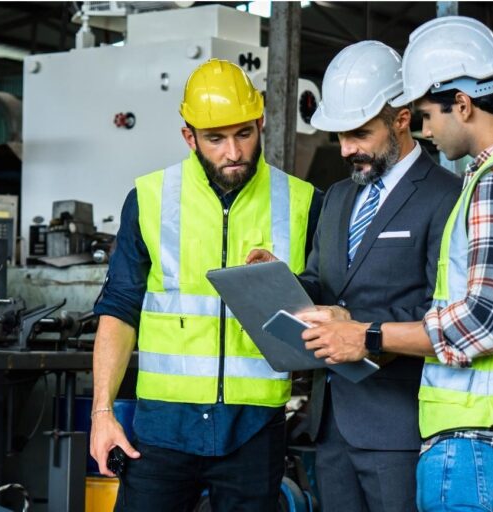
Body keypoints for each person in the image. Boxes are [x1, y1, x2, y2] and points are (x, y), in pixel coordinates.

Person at [301, 17, 493, 511]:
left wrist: (366, 335)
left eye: (428, 114)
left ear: (463, 104)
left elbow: (485, 321)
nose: (426, 129)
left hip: (483, 437)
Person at [89, 58, 323, 512]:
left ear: (261, 122)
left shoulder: (302, 202)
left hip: (254, 429)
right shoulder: (150, 199)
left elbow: (326, 308)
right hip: (161, 430)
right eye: (215, 139)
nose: (233, 152)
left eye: (244, 134)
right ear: (189, 137)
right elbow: (119, 310)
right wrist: (103, 413)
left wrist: (286, 285)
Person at [248, 41, 460, 511]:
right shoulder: (339, 197)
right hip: (330, 422)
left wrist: (360, 329)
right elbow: (321, 284)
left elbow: (444, 310)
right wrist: (278, 281)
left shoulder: (446, 197)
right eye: (339, 136)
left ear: (401, 119)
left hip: (397, 422)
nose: (346, 149)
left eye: (359, 134)